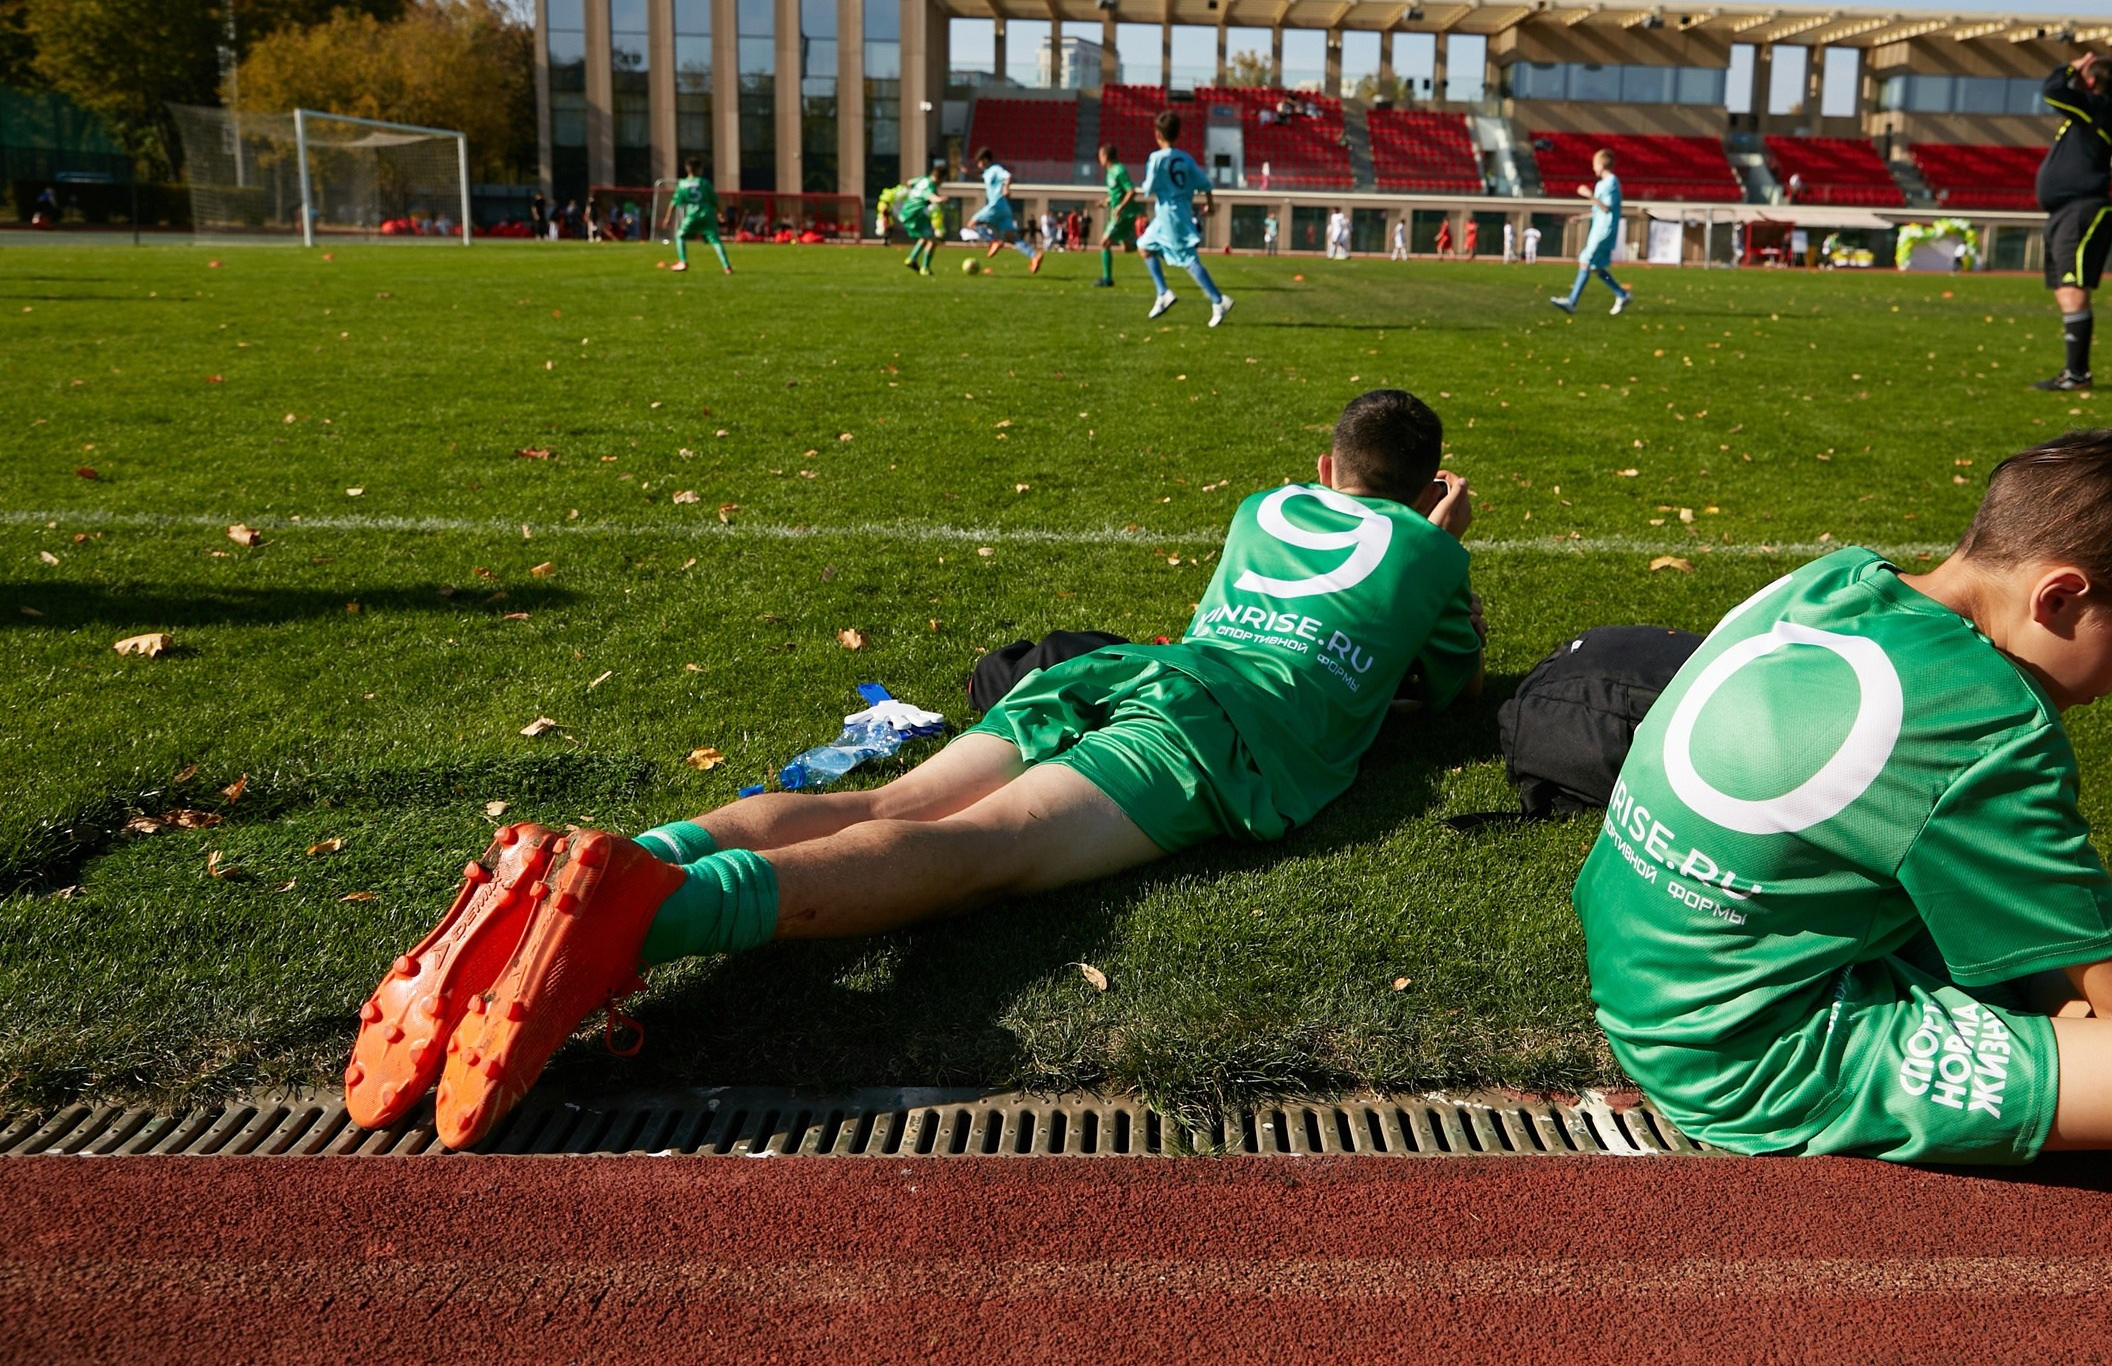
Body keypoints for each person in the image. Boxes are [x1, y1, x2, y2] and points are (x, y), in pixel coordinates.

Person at [345, 390, 1487, 1150]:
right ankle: (656, 916)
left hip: (1125, 673)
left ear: (1322, 466)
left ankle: (616, 864)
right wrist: (1449, 542)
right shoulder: (1433, 549)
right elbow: (1440, 685)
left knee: (883, 800)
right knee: (981, 852)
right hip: (1211, 730)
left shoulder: (1261, 504)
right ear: (1427, 484)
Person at [1576, 428, 2112, 1163]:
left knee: (2100, 969)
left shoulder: (1834, 578)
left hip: (1641, 963)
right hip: (1746, 1049)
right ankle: (2056, 981)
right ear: (2060, 597)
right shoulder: (1987, 722)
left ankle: (2061, 963)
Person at [2031, 51, 2112, 391]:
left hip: (2082, 210)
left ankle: (2078, 375)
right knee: (2064, 291)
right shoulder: (2087, 114)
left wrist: (2070, 65)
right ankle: (2074, 372)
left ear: (2089, 79)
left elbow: (2052, 90)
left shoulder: (2098, 108)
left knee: (2073, 289)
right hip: (2064, 212)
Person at [1138, 110, 1234, 326]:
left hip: (1171, 216)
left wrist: (1146, 188)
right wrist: (1209, 203)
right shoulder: (1186, 158)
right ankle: (1163, 293)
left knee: (1188, 259)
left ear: (1157, 134)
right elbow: (1205, 183)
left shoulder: (1156, 158)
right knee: (1144, 246)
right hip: (1173, 214)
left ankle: (1219, 301)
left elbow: (1148, 188)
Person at [1551, 147, 1633, 316]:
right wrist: (1581, 217)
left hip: (1605, 230)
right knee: (1596, 267)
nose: (1593, 168)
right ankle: (1621, 294)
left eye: (1595, 164)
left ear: (1602, 164)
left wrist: (1589, 195)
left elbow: (1606, 207)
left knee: (1585, 261)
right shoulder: (1602, 183)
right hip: (1598, 228)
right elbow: (1598, 210)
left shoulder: (1611, 182)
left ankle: (1572, 302)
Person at [969, 148, 1042, 273]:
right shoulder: (987, 172)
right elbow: (980, 174)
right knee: (1012, 237)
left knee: (972, 224)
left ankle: (993, 241)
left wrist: (1006, 188)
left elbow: (1008, 176)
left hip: (996, 204)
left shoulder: (995, 169)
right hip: (1004, 207)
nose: (978, 164)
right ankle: (1034, 255)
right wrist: (966, 171)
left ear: (985, 160)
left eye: (979, 161)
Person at [662, 159, 732, 274]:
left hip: (692, 214)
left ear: (687, 169)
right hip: (707, 213)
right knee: (715, 240)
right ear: (699, 169)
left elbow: (674, 202)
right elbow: (715, 200)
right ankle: (726, 266)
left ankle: (683, 261)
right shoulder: (704, 183)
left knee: (680, 235)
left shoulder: (682, 184)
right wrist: (720, 213)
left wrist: (667, 218)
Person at [1093, 142, 1145, 289]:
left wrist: (1120, 207)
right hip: (1120, 212)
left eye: (1100, 156)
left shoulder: (1119, 170)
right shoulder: (1111, 172)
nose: (1099, 159)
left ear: (1105, 156)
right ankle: (1150, 246)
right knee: (1127, 248)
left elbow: (1131, 191)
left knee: (1104, 242)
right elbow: (1117, 193)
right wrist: (1105, 202)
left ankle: (1107, 279)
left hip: (1123, 214)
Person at [899, 158, 949, 274]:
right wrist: (941, 199)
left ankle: (911, 259)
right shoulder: (930, 186)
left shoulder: (923, 179)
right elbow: (932, 197)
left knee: (924, 237)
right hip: (915, 215)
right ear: (941, 178)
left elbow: (909, 182)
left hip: (906, 211)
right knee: (933, 239)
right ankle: (925, 268)